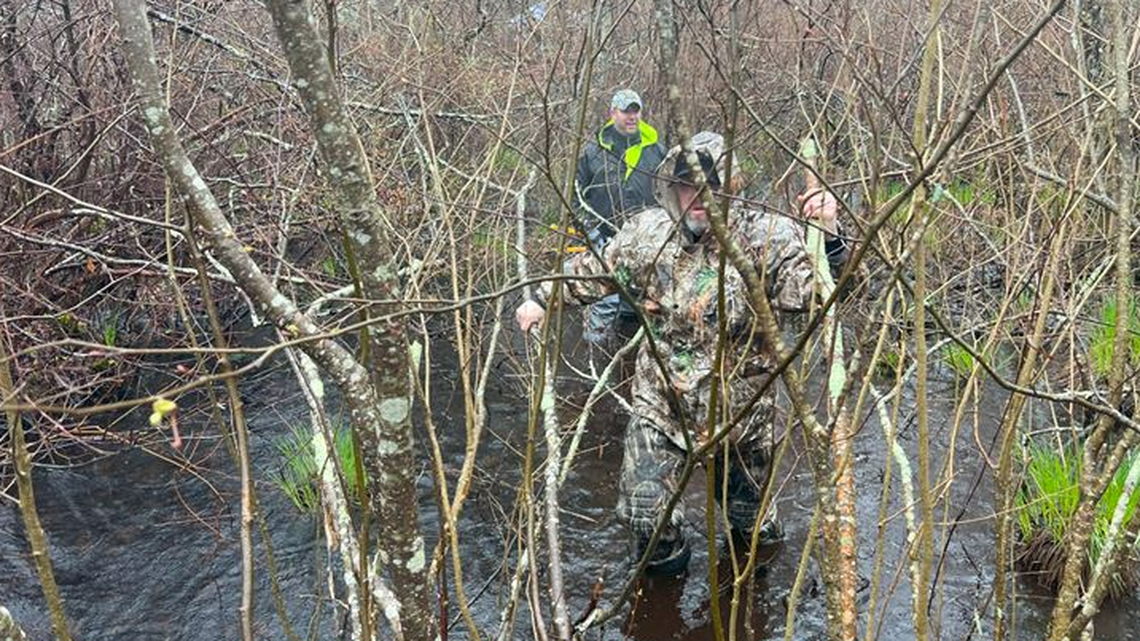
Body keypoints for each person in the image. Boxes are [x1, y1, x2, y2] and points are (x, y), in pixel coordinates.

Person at [517, 132, 851, 574]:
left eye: (711, 183)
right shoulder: (647, 233)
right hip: (662, 406)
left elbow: (823, 294)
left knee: (751, 534)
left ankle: (748, 596)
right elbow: (595, 269)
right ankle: (664, 593)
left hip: (740, 415)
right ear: (671, 188)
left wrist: (830, 235)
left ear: (730, 186)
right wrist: (541, 298)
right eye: (687, 183)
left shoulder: (767, 237)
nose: (699, 195)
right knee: (644, 512)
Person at [573, 89, 667, 342]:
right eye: (626, 111)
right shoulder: (592, 152)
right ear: (613, 112)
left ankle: (628, 356)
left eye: (636, 110)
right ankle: (595, 357)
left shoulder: (657, 150)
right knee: (602, 300)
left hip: (644, 242)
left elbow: (670, 192)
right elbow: (577, 195)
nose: (632, 116)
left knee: (637, 304)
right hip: (605, 238)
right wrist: (587, 230)